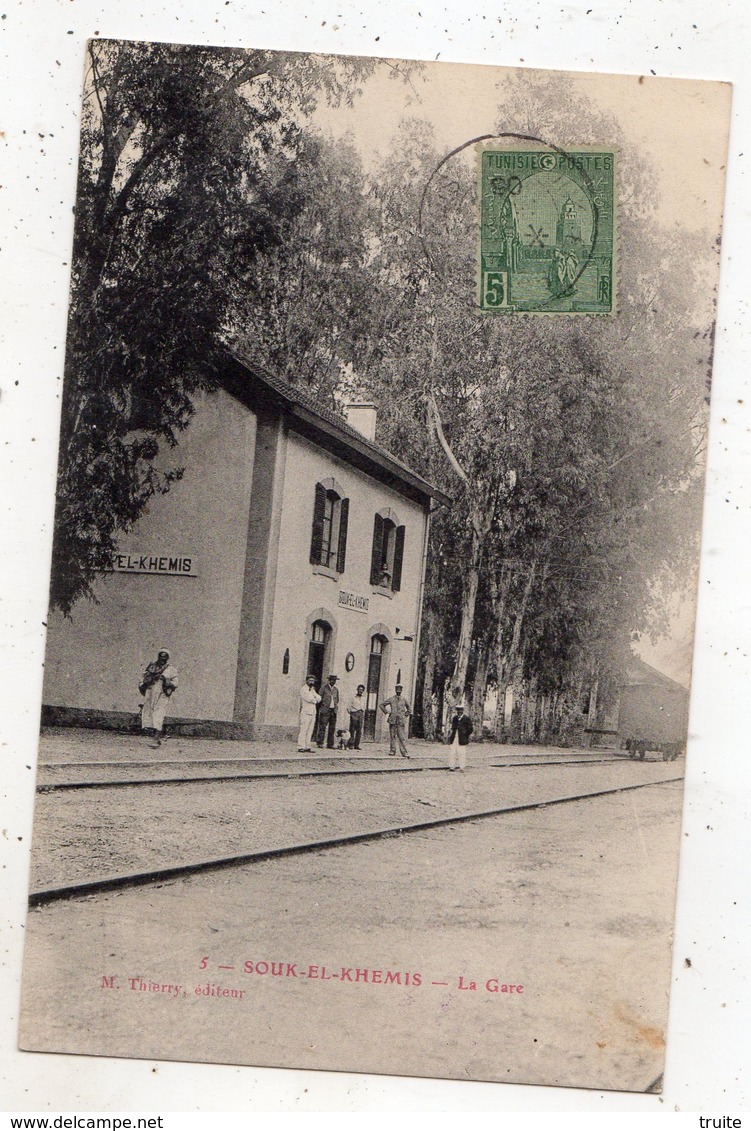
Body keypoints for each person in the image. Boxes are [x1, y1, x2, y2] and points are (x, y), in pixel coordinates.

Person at [139, 649, 178, 748]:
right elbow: (143, 678)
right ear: (158, 656)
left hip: (162, 694)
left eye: (165, 657)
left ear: (167, 658)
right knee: (149, 714)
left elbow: (176, 683)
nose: (162, 659)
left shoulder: (171, 669)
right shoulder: (152, 666)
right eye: (161, 656)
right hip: (150, 692)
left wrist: (166, 680)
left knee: (158, 714)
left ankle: (155, 739)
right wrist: (146, 682)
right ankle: (157, 736)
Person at [380, 683, 412, 758]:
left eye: (400, 689)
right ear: (395, 690)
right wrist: (387, 711)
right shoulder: (391, 699)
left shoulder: (404, 699)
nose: (398, 691)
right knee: (392, 736)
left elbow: (409, 709)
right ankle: (392, 750)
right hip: (392, 720)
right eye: (397, 689)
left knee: (402, 737)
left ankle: (404, 752)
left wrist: (405, 716)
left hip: (401, 721)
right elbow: (381, 705)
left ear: (402, 690)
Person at [298, 674, 321, 752]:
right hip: (306, 712)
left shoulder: (312, 689)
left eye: (313, 681)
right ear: (307, 681)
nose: (312, 682)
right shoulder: (303, 689)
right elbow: (309, 699)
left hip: (313, 712)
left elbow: (319, 697)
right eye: (310, 680)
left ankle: (307, 746)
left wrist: (315, 698)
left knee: (310, 730)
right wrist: (315, 699)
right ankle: (301, 746)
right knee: (303, 729)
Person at [316, 674, 339, 749]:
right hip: (325, 710)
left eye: (334, 680)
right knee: (323, 726)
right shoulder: (324, 688)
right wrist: (322, 707)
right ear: (329, 680)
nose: (333, 682)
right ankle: (320, 742)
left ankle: (330, 744)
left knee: (332, 727)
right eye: (332, 680)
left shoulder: (336, 690)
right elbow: (319, 698)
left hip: (333, 710)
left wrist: (335, 707)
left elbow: (337, 700)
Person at [447, 703, 473, 772]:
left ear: (463, 711)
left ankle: (462, 767)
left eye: (461, 710)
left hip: (462, 739)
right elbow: (453, 728)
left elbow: (470, 729)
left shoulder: (466, 719)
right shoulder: (454, 718)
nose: (459, 712)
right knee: (452, 752)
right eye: (458, 710)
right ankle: (452, 767)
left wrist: (465, 734)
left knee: (462, 753)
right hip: (454, 738)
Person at [347, 684, 366, 750]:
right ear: (357, 690)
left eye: (362, 690)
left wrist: (362, 712)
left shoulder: (363, 698)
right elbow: (348, 706)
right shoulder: (353, 697)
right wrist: (352, 712)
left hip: (360, 714)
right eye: (359, 689)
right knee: (352, 729)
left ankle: (356, 745)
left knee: (359, 730)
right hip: (354, 713)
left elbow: (364, 706)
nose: (360, 691)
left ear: (363, 691)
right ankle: (350, 744)